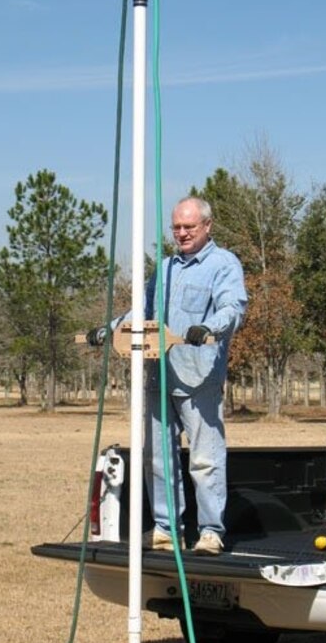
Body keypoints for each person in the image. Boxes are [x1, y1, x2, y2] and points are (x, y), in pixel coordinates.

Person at [87, 196, 247, 555]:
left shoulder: (223, 264)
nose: (182, 233)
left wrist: (208, 327)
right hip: (158, 376)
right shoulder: (164, 268)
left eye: (189, 227)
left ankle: (210, 532)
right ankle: (165, 529)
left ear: (208, 225)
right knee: (157, 457)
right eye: (176, 227)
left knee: (204, 459)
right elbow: (141, 311)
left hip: (198, 378)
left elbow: (233, 308)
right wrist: (109, 330)